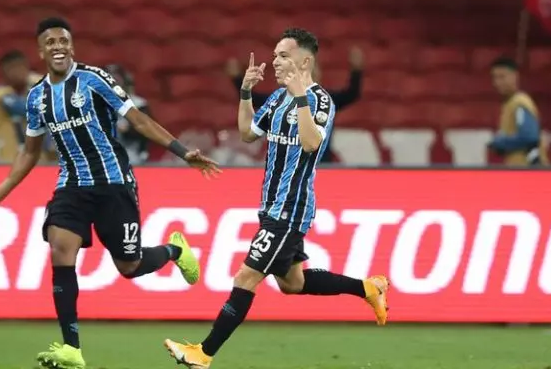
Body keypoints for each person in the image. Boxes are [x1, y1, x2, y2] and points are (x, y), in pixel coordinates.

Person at [0, 17, 220, 369]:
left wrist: (182, 151)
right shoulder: (37, 97)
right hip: (71, 185)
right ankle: (71, 348)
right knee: (60, 247)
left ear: (71, 46)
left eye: (63, 40)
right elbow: (29, 152)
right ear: (41, 51)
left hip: (113, 182)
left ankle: (175, 250)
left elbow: (138, 120)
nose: (58, 46)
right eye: (50, 42)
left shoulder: (94, 79)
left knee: (129, 265)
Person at [164, 29, 388, 369]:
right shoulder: (277, 98)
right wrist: (245, 93)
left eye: (283, 56)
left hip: (290, 209)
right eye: (275, 55)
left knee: (246, 278)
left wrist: (300, 97)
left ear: (305, 61)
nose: (275, 62)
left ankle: (203, 353)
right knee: (293, 283)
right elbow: (247, 133)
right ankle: (369, 289)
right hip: (270, 205)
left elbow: (311, 143)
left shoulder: (320, 100)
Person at [226, 46, 364, 163]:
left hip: (320, 166)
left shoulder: (327, 99)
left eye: (314, 68)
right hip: (286, 167)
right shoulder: (280, 99)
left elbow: (351, 94)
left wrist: (357, 70)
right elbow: (254, 100)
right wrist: (239, 81)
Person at [488, 56, 549, 166]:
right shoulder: (508, 104)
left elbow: (529, 136)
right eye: (495, 78)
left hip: (527, 170)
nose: (497, 82)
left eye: (502, 77)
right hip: (516, 168)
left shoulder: (520, 102)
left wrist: (500, 143)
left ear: (515, 76)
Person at [105, 64, 151, 164]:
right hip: (106, 153)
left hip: (132, 152)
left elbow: (147, 131)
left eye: (117, 80)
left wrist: (130, 129)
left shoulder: (138, 104)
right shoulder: (97, 104)